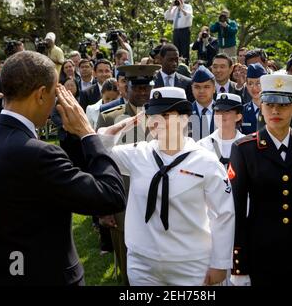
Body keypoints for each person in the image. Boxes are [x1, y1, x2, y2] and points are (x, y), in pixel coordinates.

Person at [0, 51, 125, 286]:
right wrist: (88, 134)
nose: (56, 103)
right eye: (55, 94)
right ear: (40, 94)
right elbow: (111, 196)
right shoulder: (39, 154)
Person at [99, 86, 235, 285]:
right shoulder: (138, 153)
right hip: (142, 263)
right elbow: (100, 154)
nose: (157, 121)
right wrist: (117, 129)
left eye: (165, 115)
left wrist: (220, 263)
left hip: (190, 263)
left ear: (184, 118)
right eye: (152, 114)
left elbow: (223, 214)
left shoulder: (205, 161)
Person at [229, 74, 292, 286]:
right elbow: (237, 210)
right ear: (261, 107)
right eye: (270, 104)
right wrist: (239, 265)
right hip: (261, 253)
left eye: (283, 105)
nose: (275, 111)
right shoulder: (244, 149)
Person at [96, 64, 161, 285]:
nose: (143, 93)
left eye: (147, 88)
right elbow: (100, 163)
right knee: (129, 270)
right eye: (137, 88)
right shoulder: (109, 118)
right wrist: (104, 208)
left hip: (159, 201)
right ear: (125, 88)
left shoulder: (166, 116)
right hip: (122, 202)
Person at [197, 93, 244, 168]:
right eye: (217, 111)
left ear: (238, 116)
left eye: (227, 111)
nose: (221, 115)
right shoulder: (202, 145)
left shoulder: (247, 145)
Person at [164, 0, 193, 64]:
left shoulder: (188, 6)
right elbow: (166, 17)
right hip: (176, 31)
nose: (179, 0)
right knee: (176, 50)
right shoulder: (174, 9)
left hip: (185, 30)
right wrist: (171, 6)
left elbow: (188, 16)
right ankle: (176, 65)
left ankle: (185, 65)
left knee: (185, 50)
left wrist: (181, 8)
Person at [190, 66, 217, 140]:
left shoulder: (223, 112)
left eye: (206, 87)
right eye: (197, 87)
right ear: (192, 88)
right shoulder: (185, 113)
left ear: (214, 88)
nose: (201, 91)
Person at [241, 63, 266, 135]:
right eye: (250, 83)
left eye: (258, 83)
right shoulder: (242, 111)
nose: (254, 88)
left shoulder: (274, 109)